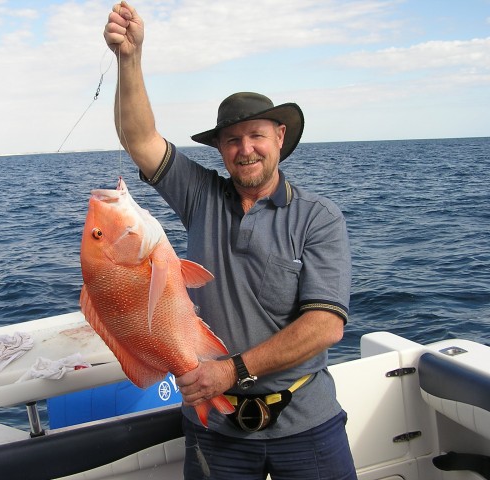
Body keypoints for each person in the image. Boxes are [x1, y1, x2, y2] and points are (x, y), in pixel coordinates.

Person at [103, 2, 357, 479]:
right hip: (215, 426)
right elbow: (139, 138)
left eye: (256, 135)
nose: (245, 149)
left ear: (280, 137)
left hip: (307, 423)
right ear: (219, 149)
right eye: (232, 140)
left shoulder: (318, 217)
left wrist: (231, 370)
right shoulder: (200, 196)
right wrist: (130, 58)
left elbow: (325, 326)